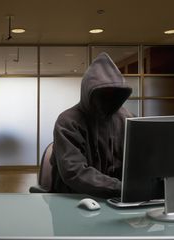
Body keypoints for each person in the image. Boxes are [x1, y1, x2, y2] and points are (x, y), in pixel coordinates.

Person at [50, 52, 133, 198]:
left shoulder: (127, 119)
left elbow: (140, 161)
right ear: (88, 91)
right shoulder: (68, 122)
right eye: (102, 92)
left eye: (114, 93)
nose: (108, 97)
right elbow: (74, 172)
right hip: (74, 200)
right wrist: (124, 188)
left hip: (120, 198)